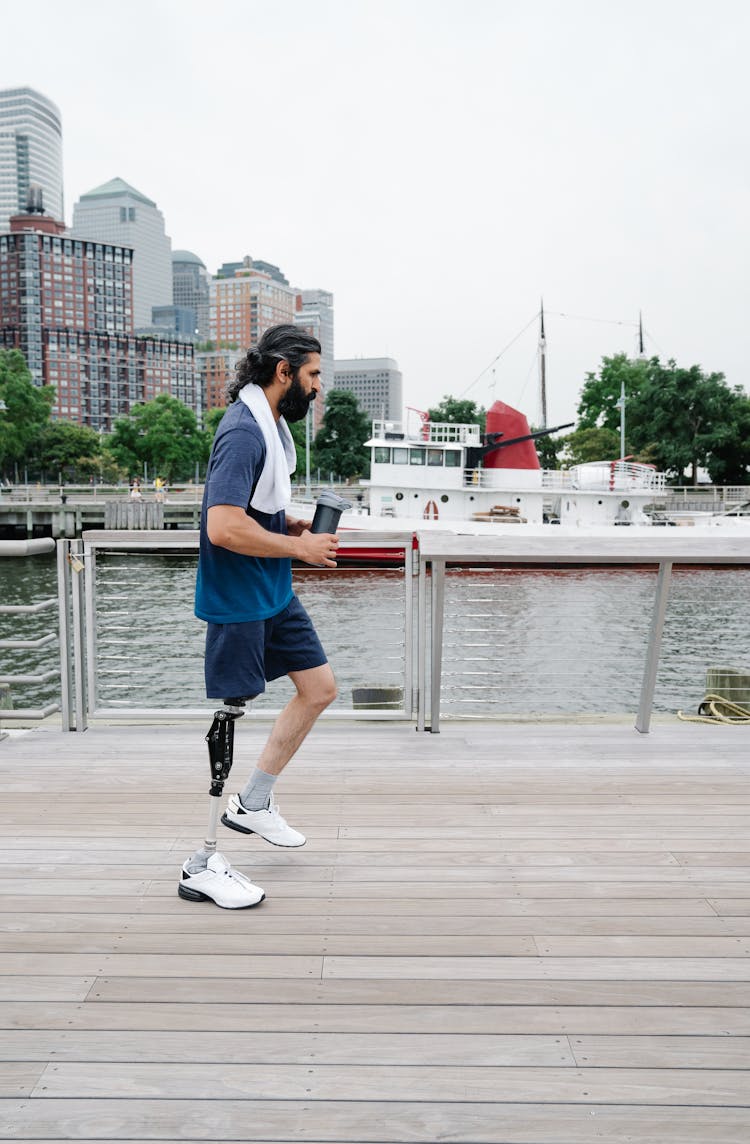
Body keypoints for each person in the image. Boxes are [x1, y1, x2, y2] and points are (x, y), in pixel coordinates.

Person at [178, 324, 339, 909]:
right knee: (229, 718)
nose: (318, 387)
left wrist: (285, 526)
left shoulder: (271, 427)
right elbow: (222, 526)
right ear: (283, 371)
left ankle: (253, 802)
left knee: (318, 689)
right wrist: (299, 547)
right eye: (314, 374)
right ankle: (200, 862)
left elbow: (250, 512)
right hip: (239, 599)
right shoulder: (244, 432)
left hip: (271, 589)